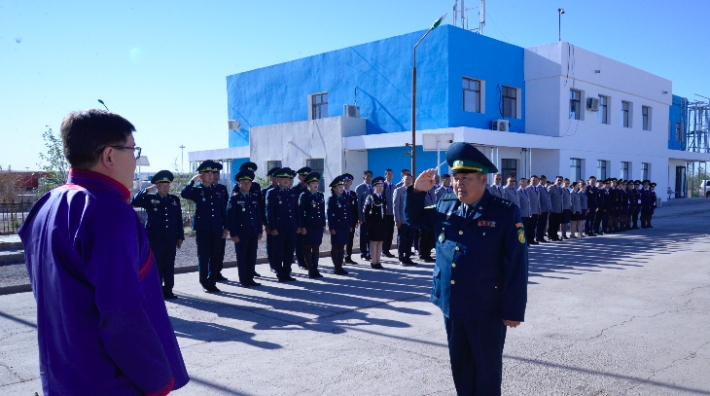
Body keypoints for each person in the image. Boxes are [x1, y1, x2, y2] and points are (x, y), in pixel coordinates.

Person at [19, 109, 188, 395]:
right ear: (109, 155)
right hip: (110, 381)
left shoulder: (47, 204)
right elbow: (121, 313)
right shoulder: (107, 210)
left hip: (64, 377)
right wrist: (158, 381)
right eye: (132, 150)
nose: (135, 163)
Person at [405, 142, 528, 395]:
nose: (459, 183)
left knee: (486, 370)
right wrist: (416, 192)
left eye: (466, 178)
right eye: (455, 178)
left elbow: (518, 264)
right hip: (452, 304)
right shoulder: (445, 205)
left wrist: (513, 309)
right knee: (461, 367)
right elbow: (414, 220)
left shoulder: (504, 213)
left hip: (486, 307)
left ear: (484, 180)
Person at [129, 170, 184, 299]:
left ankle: (168, 290)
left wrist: (180, 236)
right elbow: (134, 201)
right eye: (162, 186)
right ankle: (158, 290)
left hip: (170, 237)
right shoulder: (150, 198)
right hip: (155, 238)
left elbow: (178, 219)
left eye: (167, 185)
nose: (166, 188)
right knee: (157, 265)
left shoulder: (174, 200)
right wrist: (147, 190)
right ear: (157, 187)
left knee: (169, 265)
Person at [182, 160, 229, 293]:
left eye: (211, 173)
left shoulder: (218, 190)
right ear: (201, 175)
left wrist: (225, 227)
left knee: (215, 255)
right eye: (207, 173)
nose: (210, 175)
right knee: (203, 256)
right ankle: (204, 281)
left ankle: (212, 281)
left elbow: (222, 210)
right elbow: (184, 194)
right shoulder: (197, 190)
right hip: (203, 229)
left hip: (216, 228)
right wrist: (192, 180)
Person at [228, 169, 263, 287]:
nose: (247, 184)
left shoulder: (253, 197)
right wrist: (233, 234)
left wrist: (259, 230)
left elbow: (258, 215)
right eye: (244, 182)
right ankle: (243, 279)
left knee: (252, 256)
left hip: (253, 231)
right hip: (241, 233)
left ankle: (250, 278)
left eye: (249, 182)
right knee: (242, 257)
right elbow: (231, 218)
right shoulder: (234, 198)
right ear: (239, 184)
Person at [266, 167, 298, 282]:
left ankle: (287, 272)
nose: (285, 181)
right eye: (282, 178)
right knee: (278, 252)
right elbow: (270, 212)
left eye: (287, 179)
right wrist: (273, 227)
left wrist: (297, 225)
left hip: (291, 227)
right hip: (279, 228)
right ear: (277, 180)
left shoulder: (292, 193)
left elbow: (296, 211)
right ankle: (280, 273)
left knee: (289, 251)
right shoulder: (272, 193)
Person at [297, 171, 326, 278]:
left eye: (317, 183)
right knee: (308, 247)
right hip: (308, 226)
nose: (315, 185)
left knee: (316, 247)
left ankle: (315, 268)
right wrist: (302, 226)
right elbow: (300, 212)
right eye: (313, 183)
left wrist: (323, 224)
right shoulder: (304, 196)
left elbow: (322, 212)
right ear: (308, 185)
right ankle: (310, 270)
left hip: (318, 225)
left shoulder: (320, 195)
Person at [327, 175, 351, 275]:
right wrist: (331, 227)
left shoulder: (345, 198)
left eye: (342, 187)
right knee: (336, 247)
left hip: (344, 226)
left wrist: (350, 225)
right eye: (339, 187)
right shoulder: (331, 199)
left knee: (342, 246)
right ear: (334, 189)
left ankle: (340, 266)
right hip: (336, 227)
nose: (341, 189)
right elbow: (330, 215)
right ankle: (336, 267)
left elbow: (349, 213)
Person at [210, 161, 230, 281]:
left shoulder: (222, 189)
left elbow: (225, 208)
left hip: (219, 225)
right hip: (208, 226)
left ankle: (217, 271)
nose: (216, 175)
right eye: (213, 173)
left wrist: (226, 226)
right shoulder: (204, 188)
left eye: (218, 173)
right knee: (210, 252)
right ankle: (210, 273)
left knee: (220, 251)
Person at [363, 176, 387, 269]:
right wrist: (369, 222)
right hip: (373, 224)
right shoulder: (371, 198)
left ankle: (378, 261)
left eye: (382, 186)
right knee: (373, 242)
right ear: (374, 187)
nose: (380, 188)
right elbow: (365, 211)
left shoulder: (383, 198)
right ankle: (374, 262)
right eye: (378, 186)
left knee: (380, 242)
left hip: (381, 224)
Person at [393, 173, 416, 265]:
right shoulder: (398, 191)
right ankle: (401, 257)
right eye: (406, 179)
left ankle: (407, 257)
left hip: (411, 219)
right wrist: (396, 219)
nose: (408, 181)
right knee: (402, 238)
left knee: (410, 238)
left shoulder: (413, 191)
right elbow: (396, 206)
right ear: (403, 180)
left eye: (410, 179)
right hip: (402, 219)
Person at [293, 166, 312, 269]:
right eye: (304, 176)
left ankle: (309, 261)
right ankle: (301, 262)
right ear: (299, 177)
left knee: (308, 243)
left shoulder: (311, 189)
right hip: (299, 220)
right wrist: (299, 224)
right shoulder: (295, 190)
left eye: (307, 176)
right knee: (299, 243)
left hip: (309, 221)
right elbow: (296, 209)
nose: (306, 178)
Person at [355, 170, 374, 260]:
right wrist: (359, 217)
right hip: (364, 215)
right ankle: (363, 253)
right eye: (367, 176)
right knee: (363, 235)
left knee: (371, 235)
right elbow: (358, 204)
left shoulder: (374, 187)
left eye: (370, 176)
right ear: (364, 177)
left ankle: (370, 252)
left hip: (373, 215)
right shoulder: (360, 188)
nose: (369, 177)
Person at [342, 173, 359, 264]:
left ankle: (348, 256)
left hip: (351, 221)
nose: (346, 183)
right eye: (344, 181)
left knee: (350, 239)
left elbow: (355, 208)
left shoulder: (353, 194)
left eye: (348, 182)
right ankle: (340, 258)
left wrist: (356, 220)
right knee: (342, 239)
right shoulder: (340, 193)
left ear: (351, 183)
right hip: (343, 221)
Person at [383, 168, 397, 258]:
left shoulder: (394, 186)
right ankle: (384, 250)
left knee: (390, 232)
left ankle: (387, 249)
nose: (390, 175)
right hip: (385, 213)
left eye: (391, 174)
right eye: (388, 174)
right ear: (385, 175)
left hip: (393, 212)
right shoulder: (382, 185)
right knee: (385, 231)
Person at [516, 177, 532, 245]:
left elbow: (528, 203)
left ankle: (525, 241)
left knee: (526, 228)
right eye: (524, 182)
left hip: (527, 213)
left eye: (526, 182)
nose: (526, 184)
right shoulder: (518, 192)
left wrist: (530, 212)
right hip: (522, 214)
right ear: (520, 183)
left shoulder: (526, 191)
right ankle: (521, 242)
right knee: (521, 229)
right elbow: (518, 203)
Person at [525, 176, 541, 245]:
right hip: (530, 211)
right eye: (533, 180)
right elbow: (527, 201)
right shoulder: (528, 189)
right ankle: (528, 240)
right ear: (530, 181)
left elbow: (538, 200)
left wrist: (539, 208)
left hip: (536, 210)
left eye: (536, 180)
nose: (534, 182)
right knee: (529, 226)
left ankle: (532, 239)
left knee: (534, 226)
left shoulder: (537, 189)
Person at [536, 175, 552, 242]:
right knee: (540, 224)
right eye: (543, 180)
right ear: (540, 180)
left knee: (543, 224)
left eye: (545, 180)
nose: (545, 181)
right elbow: (538, 199)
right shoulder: (538, 188)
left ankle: (541, 237)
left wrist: (549, 208)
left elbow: (547, 199)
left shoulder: (544, 187)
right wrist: (540, 208)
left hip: (546, 209)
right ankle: (538, 237)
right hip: (541, 209)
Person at [547, 176, 563, 241]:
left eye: (561, 180)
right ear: (555, 180)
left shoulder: (561, 188)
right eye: (558, 180)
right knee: (552, 224)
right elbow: (548, 198)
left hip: (559, 209)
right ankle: (550, 236)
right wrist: (549, 207)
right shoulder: (551, 187)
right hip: (553, 209)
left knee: (557, 224)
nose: (559, 181)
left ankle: (555, 235)